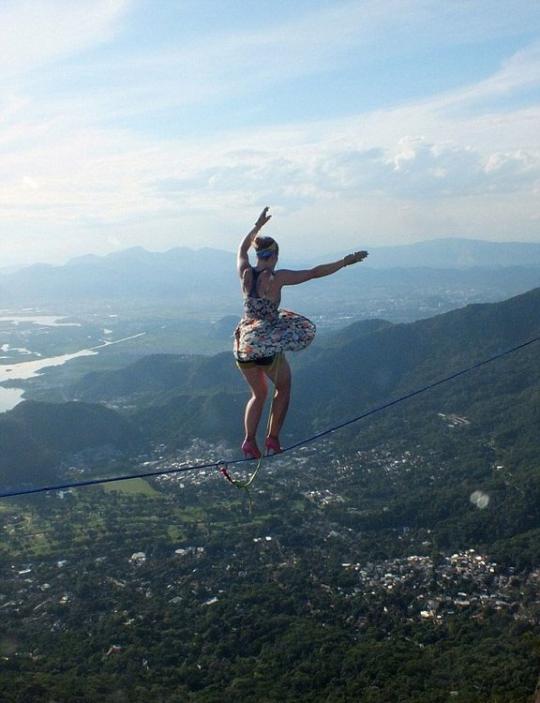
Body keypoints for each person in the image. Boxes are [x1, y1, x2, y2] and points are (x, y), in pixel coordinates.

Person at [235, 206, 368, 459]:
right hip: (266, 343)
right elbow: (314, 273)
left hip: (244, 343)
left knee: (258, 393)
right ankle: (272, 439)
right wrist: (344, 262)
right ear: (274, 256)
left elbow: (241, 250)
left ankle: (249, 442)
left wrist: (256, 226)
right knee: (283, 387)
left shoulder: (244, 273)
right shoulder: (277, 277)